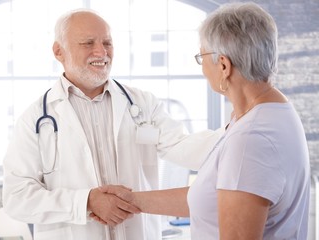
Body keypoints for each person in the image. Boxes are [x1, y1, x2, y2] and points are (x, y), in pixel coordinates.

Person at [2, 8, 223, 240]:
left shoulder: (142, 104)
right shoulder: (36, 119)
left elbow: (182, 146)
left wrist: (238, 131)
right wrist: (86, 202)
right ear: (59, 51)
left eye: (107, 42)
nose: (101, 51)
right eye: (88, 43)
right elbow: (17, 198)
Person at [99, 2, 311, 239]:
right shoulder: (274, 111)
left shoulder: (250, 139)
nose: (202, 68)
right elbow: (214, 199)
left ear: (223, 65)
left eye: (202, 57)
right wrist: (134, 200)